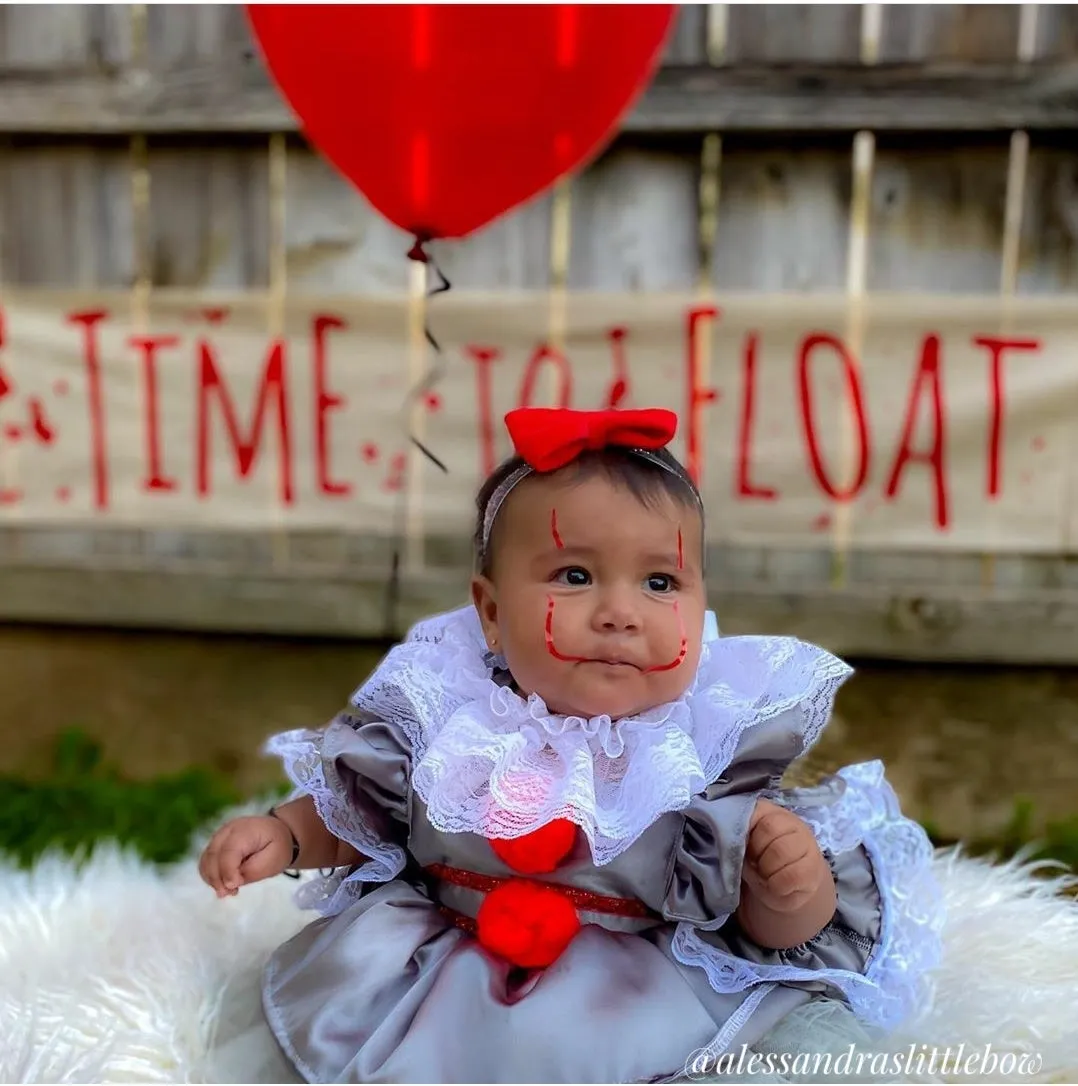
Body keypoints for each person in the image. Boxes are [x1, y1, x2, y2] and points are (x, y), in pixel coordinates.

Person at [199, 406, 944, 1084]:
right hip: (435, 963)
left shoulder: (696, 757)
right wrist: (285, 835)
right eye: (576, 575)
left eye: (660, 582)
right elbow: (363, 815)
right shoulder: (449, 723)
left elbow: (766, 933)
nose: (620, 612)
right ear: (490, 613)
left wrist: (789, 886)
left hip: (620, 992)